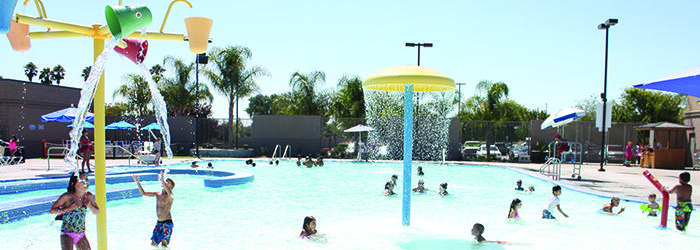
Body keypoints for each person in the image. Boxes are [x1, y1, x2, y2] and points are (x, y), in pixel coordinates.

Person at [49, 172, 100, 250]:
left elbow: (97, 212)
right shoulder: (67, 197)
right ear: (74, 184)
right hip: (67, 233)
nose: (85, 182)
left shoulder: (88, 196)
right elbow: (51, 210)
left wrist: (89, 205)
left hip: (81, 234)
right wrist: (67, 209)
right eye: (81, 180)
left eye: (86, 179)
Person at [132, 171, 175, 247]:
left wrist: (161, 179)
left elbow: (169, 192)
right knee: (153, 243)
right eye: (165, 181)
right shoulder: (157, 194)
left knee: (164, 243)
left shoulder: (170, 195)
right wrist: (138, 182)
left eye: (167, 182)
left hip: (167, 223)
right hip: (159, 222)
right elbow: (143, 193)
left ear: (171, 187)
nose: (164, 182)